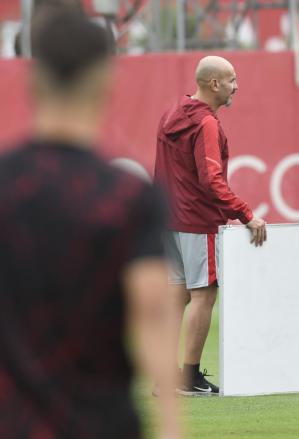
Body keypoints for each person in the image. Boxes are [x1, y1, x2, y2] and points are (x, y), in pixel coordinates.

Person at [0, 8, 180, 439]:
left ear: (33, 77)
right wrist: (173, 426)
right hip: (103, 424)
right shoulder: (127, 196)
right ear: (107, 79)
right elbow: (153, 314)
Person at [154, 55, 267, 396]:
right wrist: (247, 214)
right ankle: (188, 378)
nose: (236, 86)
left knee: (176, 296)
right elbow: (211, 181)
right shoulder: (206, 124)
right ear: (214, 83)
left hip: (167, 219)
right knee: (203, 295)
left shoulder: (170, 114)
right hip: (197, 221)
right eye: (232, 79)